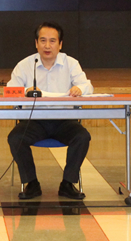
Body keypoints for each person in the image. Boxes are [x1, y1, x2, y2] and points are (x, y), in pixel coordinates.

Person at [6, 22, 93, 200]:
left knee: (82, 137)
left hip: (64, 120)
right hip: (34, 120)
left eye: (52, 41)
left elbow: (88, 86)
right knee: (15, 138)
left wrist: (80, 89)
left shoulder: (71, 63)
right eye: (43, 40)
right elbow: (9, 90)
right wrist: (26, 91)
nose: (47, 46)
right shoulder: (24, 65)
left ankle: (68, 183)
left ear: (60, 44)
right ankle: (31, 183)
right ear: (36, 43)